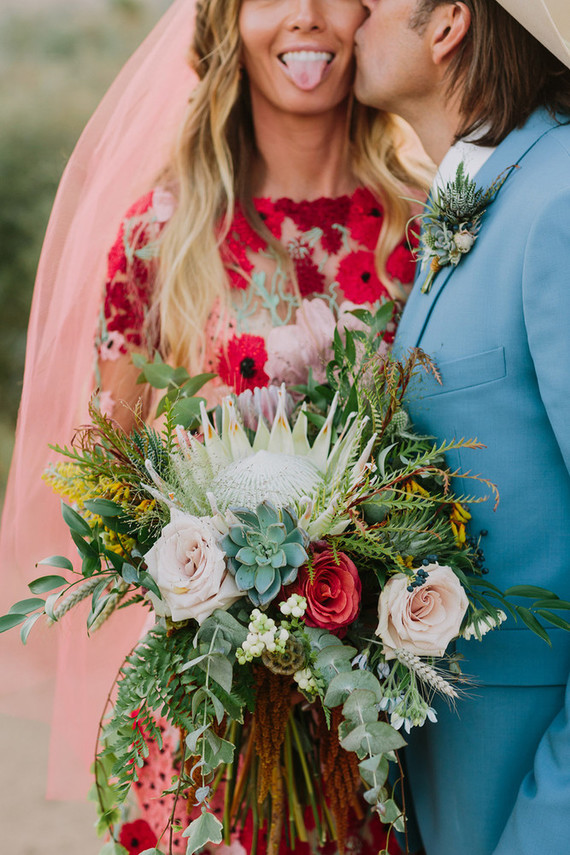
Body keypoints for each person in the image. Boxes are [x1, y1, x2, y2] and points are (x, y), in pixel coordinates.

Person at [0, 0, 427, 852]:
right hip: (215, 726)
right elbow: (107, 485)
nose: (306, 19)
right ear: (228, 22)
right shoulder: (162, 235)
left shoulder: (418, 227)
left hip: (390, 724)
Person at [353, 1, 570, 854]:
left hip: (527, 801)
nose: (354, 13)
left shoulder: (558, 202)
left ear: (447, 21)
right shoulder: (484, 193)